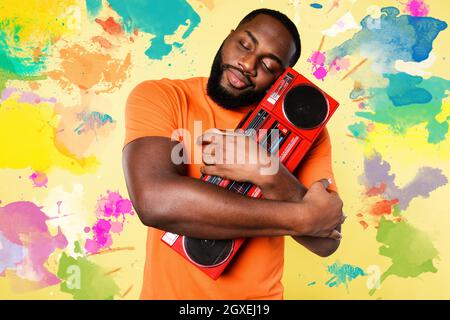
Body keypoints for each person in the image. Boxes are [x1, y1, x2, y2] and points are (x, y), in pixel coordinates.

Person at [122, 8, 345, 300]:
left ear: (283, 80)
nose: (248, 64)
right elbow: (154, 201)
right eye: (245, 44)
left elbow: (326, 243)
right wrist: (304, 218)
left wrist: (266, 170)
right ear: (229, 37)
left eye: (269, 64)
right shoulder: (164, 96)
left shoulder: (304, 131)